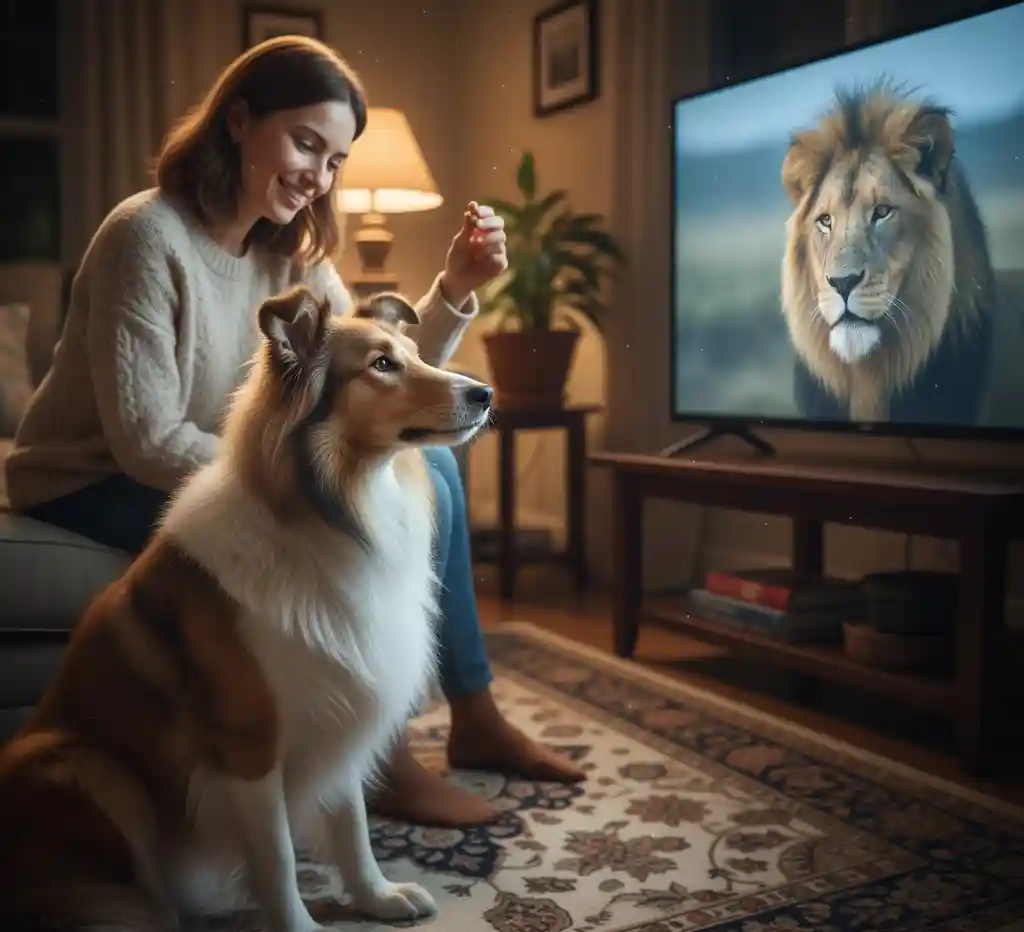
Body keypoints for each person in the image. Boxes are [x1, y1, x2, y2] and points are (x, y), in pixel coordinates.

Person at [3, 35, 584, 827]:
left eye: (336, 159)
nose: (319, 174)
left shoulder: (295, 258)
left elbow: (383, 378)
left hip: (216, 467)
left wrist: (454, 288)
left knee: (433, 474)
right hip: (89, 480)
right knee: (346, 521)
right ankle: (389, 764)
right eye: (306, 142)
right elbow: (144, 440)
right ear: (239, 121)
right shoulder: (144, 234)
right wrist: (293, 478)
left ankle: (473, 716)